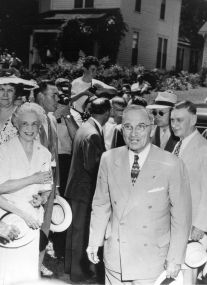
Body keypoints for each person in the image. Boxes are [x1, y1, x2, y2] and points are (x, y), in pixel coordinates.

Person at [87, 105, 192, 285]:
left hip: (151, 259)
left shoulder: (172, 164)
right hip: (116, 256)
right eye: (128, 126)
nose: (134, 133)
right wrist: (94, 240)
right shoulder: (108, 159)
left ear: (151, 129)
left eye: (141, 126)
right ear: (121, 129)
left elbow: (181, 216)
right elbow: (101, 204)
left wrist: (175, 258)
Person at [0, 102, 52, 284]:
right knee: (8, 272)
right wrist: (32, 179)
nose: (29, 129)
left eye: (34, 124)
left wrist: (42, 198)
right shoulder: (4, 151)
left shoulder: (44, 153)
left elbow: (46, 187)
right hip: (9, 221)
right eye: (24, 124)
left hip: (33, 221)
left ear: (39, 126)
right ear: (16, 124)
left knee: (27, 274)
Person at [64, 98, 111, 283]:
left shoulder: (85, 127)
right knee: (81, 233)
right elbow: (93, 166)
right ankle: (79, 273)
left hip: (76, 188)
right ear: (106, 112)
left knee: (74, 231)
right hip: (85, 191)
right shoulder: (92, 134)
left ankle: (70, 268)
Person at [171, 100, 207, 284]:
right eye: (172, 120)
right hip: (174, 222)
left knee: (188, 274)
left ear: (193, 120)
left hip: (192, 225)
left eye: (179, 120)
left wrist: (201, 224)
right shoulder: (178, 145)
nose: (174, 125)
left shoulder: (204, 148)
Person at [35, 81, 60, 275]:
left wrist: (56, 184)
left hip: (49, 181)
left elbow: (54, 154)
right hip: (34, 182)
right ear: (41, 96)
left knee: (46, 223)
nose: (57, 99)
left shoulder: (51, 119)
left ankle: (38, 263)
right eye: (54, 95)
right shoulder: (29, 117)